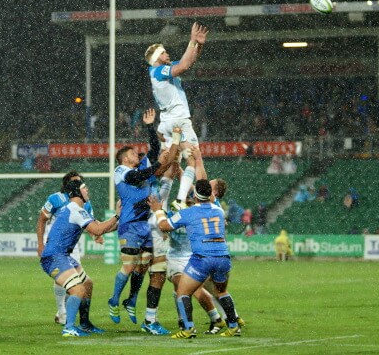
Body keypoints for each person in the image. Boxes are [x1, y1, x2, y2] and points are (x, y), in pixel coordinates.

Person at [107, 109, 178, 331]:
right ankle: (114, 300)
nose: (138, 155)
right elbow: (137, 177)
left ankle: (131, 300)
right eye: (135, 154)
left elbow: (155, 150)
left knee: (144, 265)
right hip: (129, 225)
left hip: (144, 224)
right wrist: (157, 168)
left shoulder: (141, 166)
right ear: (125, 157)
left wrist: (150, 126)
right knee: (128, 267)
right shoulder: (121, 170)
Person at [148, 179, 241, 339]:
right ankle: (233, 326)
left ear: (195, 194)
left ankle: (188, 328)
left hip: (203, 257)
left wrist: (157, 210)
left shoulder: (188, 213)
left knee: (182, 292)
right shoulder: (218, 210)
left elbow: (164, 226)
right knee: (221, 291)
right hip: (223, 257)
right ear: (210, 194)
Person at [40, 180, 120, 337]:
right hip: (54, 256)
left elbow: (100, 228)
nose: (87, 190)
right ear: (77, 192)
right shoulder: (75, 210)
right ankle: (69, 327)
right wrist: (117, 215)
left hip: (63, 255)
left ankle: (84, 324)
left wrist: (121, 221)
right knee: (78, 289)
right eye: (84, 188)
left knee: (87, 284)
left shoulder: (76, 209)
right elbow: (97, 229)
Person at [145, 22, 209, 211]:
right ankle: (181, 200)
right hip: (178, 121)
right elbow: (183, 66)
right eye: (163, 53)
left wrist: (199, 45)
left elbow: (189, 61)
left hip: (166, 122)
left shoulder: (160, 70)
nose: (167, 54)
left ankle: (159, 207)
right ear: (157, 58)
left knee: (172, 168)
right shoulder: (158, 71)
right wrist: (191, 40)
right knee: (193, 158)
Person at [36, 170, 102, 330]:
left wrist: (96, 234)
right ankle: (63, 313)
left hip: (72, 244)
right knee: (69, 281)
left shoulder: (85, 204)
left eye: (80, 182)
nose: (80, 186)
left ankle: (82, 321)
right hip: (56, 243)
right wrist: (40, 244)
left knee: (84, 282)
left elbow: (89, 224)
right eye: (75, 182)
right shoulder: (55, 198)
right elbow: (42, 219)